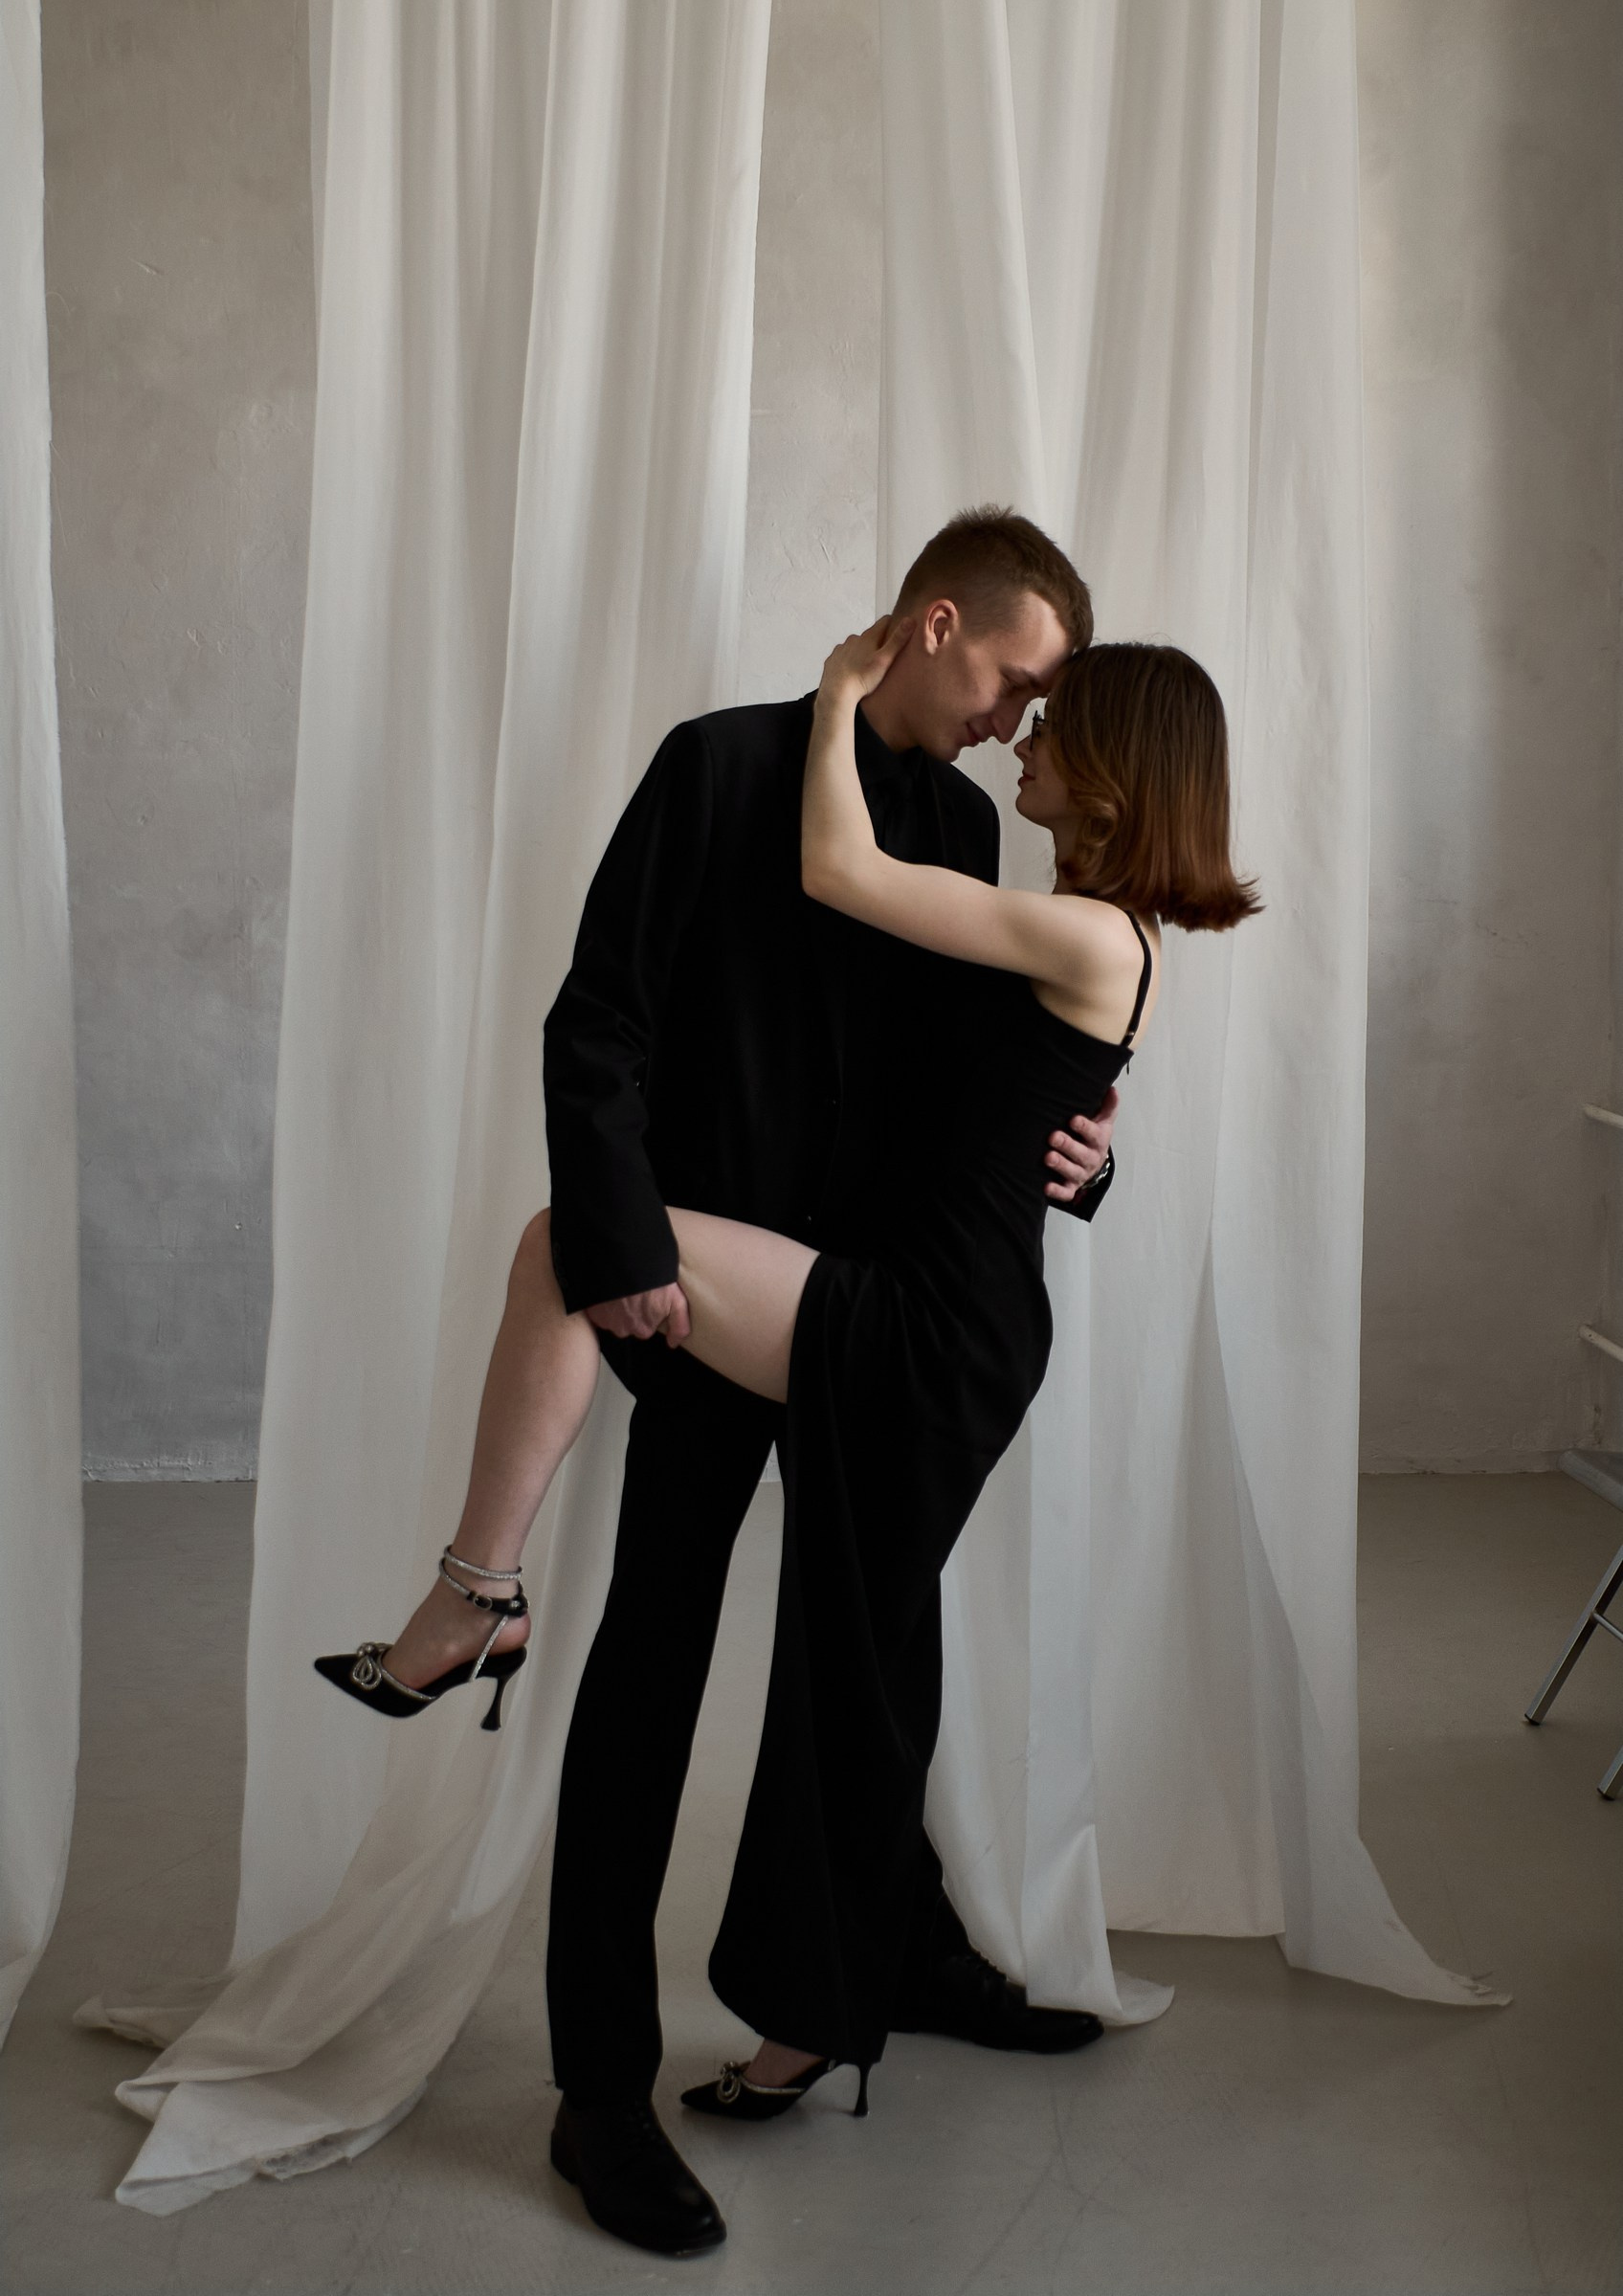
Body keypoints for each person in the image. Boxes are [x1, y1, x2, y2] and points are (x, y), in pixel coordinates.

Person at [318, 614, 1257, 2259]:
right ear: (940, 625)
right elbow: (605, 1019)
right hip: (767, 1303)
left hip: (896, 1319)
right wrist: (635, 1235)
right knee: (756, 1668)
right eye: (1017, 685)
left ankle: (486, 1607)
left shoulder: (981, 842)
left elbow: (949, 1008)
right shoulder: (720, 767)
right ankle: (620, 2079)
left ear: (1113, 769)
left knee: (861, 1660)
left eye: (1053, 713)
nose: (1020, 725)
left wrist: (1084, 1149)